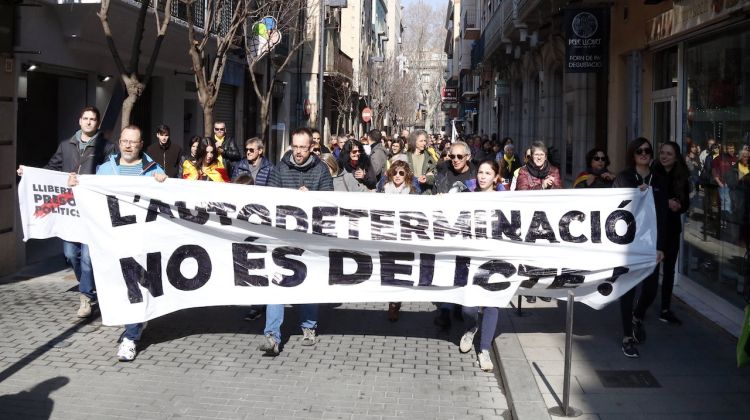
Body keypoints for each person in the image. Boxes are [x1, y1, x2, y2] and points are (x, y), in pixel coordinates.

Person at [69, 125, 167, 362]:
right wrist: (77, 184)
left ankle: (130, 338)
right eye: (124, 141)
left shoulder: (153, 171)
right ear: (120, 143)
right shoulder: (105, 170)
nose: (128, 145)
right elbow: (91, 196)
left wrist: (163, 183)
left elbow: (167, 201)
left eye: (133, 141)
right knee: (121, 288)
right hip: (111, 242)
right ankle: (135, 321)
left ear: (141, 144)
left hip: (139, 242)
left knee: (133, 288)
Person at [17, 106, 114, 318]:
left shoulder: (106, 148)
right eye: (85, 118)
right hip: (69, 212)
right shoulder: (65, 145)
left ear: (97, 123)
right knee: (71, 254)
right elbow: (51, 169)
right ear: (79, 121)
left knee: (88, 257)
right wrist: (29, 173)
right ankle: (90, 285)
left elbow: (110, 175)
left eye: (92, 119)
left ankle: (86, 297)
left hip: (91, 212)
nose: (88, 122)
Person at [259, 127, 334, 355]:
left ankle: (309, 327)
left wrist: (310, 198)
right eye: (296, 146)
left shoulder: (321, 171)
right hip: (282, 237)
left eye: (303, 147)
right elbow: (269, 199)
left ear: (311, 147)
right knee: (277, 283)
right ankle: (272, 336)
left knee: (308, 283)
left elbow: (329, 202)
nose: (299, 151)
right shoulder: (280, 169)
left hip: (309, 239)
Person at [613, 137, 666, 358]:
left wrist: (660, 246)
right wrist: (636, 196)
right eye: (639, 151)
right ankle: (627, 336)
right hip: (629, 243)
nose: (644, 154)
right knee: (628, 289)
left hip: (651, 242)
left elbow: (663, 214)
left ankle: (638, 316)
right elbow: (613, 208)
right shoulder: (624, 177)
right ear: (632, 155)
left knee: (651, 288)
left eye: (647, 151)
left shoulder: (660, 178)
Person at [458, 159, 504, 371]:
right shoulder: (467, 197)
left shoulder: (505, 199)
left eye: (488, 173)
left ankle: (484, 350)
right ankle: (472, 327)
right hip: (471, 257)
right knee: (469, 307)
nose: (483, 176)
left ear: (496, 177)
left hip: (495, 258)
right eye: (481, 172)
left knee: (492, 302)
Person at [516, 141, 561, 303]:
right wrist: (541, 187)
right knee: (530, 256)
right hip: (529, 220)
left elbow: (560, 194)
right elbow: (521, 194)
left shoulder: (554, 171)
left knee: (546, 257)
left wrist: (552, 187)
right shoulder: (523, 171)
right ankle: (529, 289)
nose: (539, 157)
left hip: (548, 220)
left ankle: (544, 289)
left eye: (542, 155)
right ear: (531, 156)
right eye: (536, 155)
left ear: (546, 156)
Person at [652, 141, 690, 325]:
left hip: (672, 229)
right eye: (662, 152)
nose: (664, 156)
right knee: (650, 270)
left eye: (669, 153)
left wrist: (678, 205)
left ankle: (665, 308)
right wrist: (665, 202)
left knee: (668, 272)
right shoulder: (653, 173)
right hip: (653, 230)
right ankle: (643, 304)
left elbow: (686, 205)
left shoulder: (682, 176)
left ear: (676, 157)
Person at [378, 160, 418, 322]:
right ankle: (392, 302)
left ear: (406, 175)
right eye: (394, 172)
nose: (397, 176)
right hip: (387, 235)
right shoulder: (383, 190)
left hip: (405, 236)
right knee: (389, 268)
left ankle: (395, 301)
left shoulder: (413, 191)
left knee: (401, 269)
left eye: (401, 173)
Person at [712, 142, 738, 225]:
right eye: (729, 148)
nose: (731, 150)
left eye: (732, 148)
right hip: (723, 185)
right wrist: (719, 182)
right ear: (725, 149)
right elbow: (714, 170)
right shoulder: (719, 158)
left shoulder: (736, 158)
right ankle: (724, 222)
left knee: (731, 203)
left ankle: (726, 221)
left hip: (733, 185)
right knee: (726, 203)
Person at [405, 130, 437, 195]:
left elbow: (435, 174)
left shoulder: (429, 156)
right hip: (408, 192)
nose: (424, 143)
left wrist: (427, 179)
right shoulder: (405, 156)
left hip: (424, 192)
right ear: (414, 142)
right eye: (421, 141)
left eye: (425, 141)